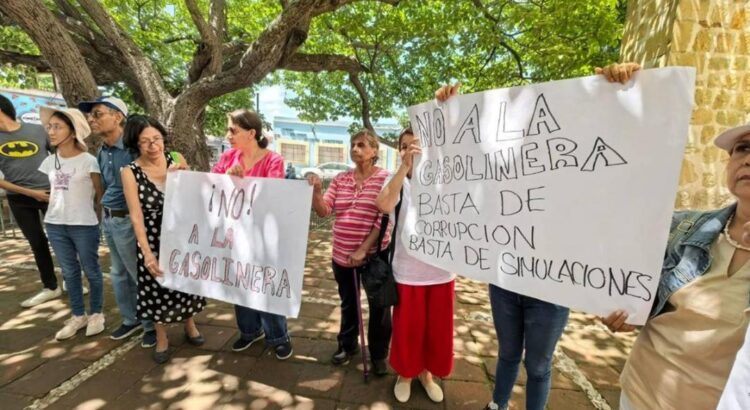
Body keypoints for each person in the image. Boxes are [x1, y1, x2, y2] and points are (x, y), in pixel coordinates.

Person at [598, 62, 749, 410]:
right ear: (728, 162)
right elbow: (615, 196)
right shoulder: (683, 227)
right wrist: (619, 101)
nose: (748, 160)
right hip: (638, 396)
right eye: (743, 149)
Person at [435, 84, 569, 410]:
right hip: (505, 283)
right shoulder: (498, 175)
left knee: (538, 365)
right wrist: (450, 111)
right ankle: (498, 404)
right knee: (508, 352)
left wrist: (619, 87)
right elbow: (463, 162)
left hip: (550, 292)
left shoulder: (568, 174)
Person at [376, 128, 455, 402]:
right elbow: (384, 204)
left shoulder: (446, 178)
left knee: (437, 329)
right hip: (408, 271)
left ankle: (427, 373)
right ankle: (406, 373)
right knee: (408, 328)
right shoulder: (396, 180)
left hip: (442, 271)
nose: (410, 149)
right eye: (404, 146)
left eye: (416, 145)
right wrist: (403, 169)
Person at [121, 115, 205, 363]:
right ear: (136, 144)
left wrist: (179, 178)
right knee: (156, 285)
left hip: (181, 235)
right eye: (145, 141)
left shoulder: (177, 160)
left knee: (186, 283)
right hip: (153, 237)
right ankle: (161, 337)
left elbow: (192, 198)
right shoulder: (130, 172)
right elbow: (136, 216)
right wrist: (146, 252)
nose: (153, 146)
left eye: (157, 139)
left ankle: (190, 324)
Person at [308, 129, 392, 375]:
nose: (355, 149)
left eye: (362, 145)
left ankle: (378, 354)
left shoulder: (385, 179)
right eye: (353, 145)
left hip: (374, 255)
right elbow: (325, 210)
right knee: (349, 303)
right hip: (342, 255)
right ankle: (347, 345)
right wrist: (315, 192)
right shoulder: (340, 179)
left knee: (380, 307)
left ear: (374, 151)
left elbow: (384, 219)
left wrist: (363, 249)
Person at [213, 109, 294, 360]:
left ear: (251, 133)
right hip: (235, 236)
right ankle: (249, 331)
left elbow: (272, 196)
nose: (228, 135)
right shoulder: (227, 158)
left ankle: (278, 336)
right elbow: (210, 186)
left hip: (264, 238)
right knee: (240, 284)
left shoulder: (273, 161)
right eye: (228, 130)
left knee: (265, 285)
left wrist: (242, 181)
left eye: (233, 130)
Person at [78, 96, 156, 346]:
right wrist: (102, 214)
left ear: (118, 117)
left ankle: (151, 325)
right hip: (110, 220)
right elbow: (105, 186)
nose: (92, 119)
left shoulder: (135, 149)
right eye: (91, 115)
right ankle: (130, 319)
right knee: (118, 273)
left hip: (129, 221)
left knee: (138, 273)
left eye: (98, 114)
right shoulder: (102, 151)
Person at [38, 107, 105, 340]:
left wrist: (96, 220)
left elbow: (99, 195)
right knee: (69, 272)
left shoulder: (89, 161)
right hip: (55, 224)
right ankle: (78, 315)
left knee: (92, 271)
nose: (51, 131)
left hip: (84, 224)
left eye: (57, 126)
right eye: (49, 127)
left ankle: (97, 313)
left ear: (73, 131)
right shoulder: (49, 161)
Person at [0, 94, 60, 308]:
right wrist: (29, 192)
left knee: (62, 240)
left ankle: (74, 282)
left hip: (50, 193)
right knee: (37, 242)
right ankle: (50, 286)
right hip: (19, 198)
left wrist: (59, 187)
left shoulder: (37, 131)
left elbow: (61, 158)